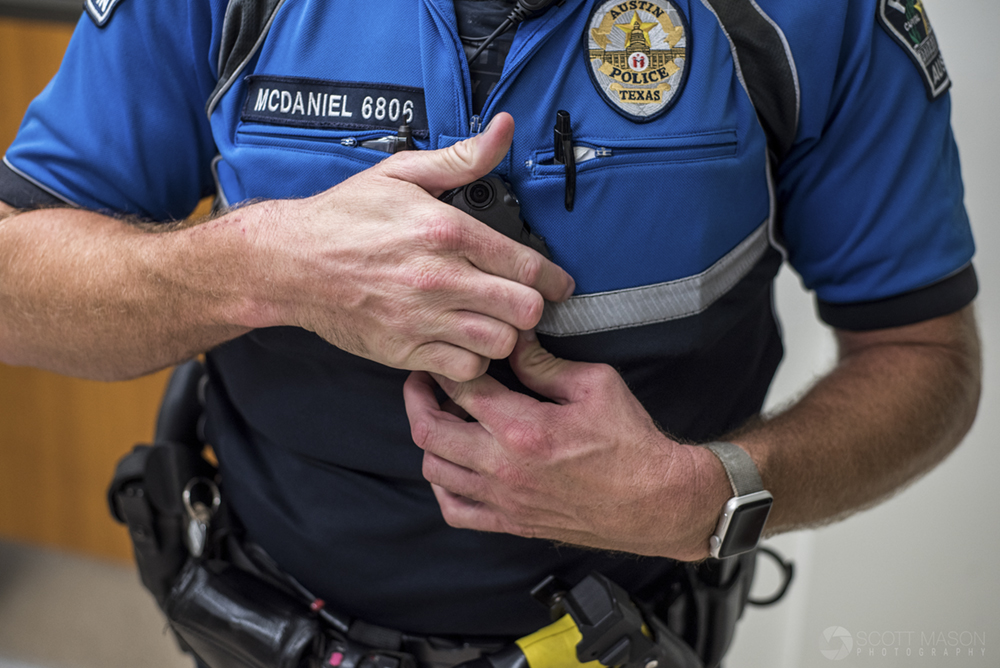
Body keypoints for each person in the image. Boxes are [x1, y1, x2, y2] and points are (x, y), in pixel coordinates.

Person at [0, 0, 981, 663]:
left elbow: (925, 356)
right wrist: (257, 264)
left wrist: (706, 495)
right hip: (261, 619)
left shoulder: (817, 17)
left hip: (630, 636)